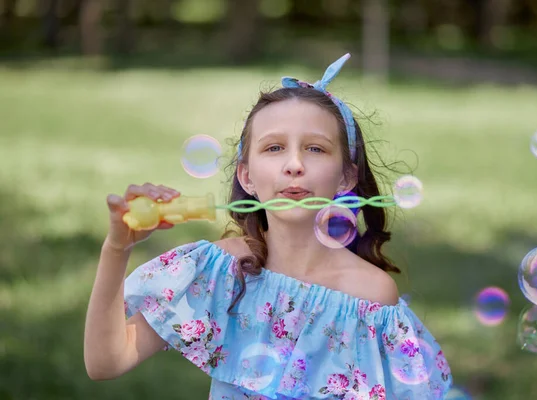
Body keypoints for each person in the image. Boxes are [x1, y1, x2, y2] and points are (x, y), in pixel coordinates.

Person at [84, 53, 453, 399]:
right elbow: (106, 361)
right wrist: (117, 249)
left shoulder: (371, 298)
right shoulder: (220, 272)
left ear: (346, 177)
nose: (294, 164)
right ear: (246, 175)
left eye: (315, 149)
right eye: (274, 148)